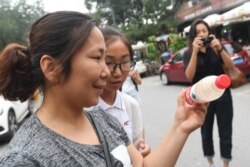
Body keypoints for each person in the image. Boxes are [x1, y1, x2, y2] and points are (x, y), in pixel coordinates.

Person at [0, 11, 207, 167]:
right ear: (51, 67)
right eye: (98, 58)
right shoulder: (24, 158)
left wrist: (180, 127)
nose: (107, 73)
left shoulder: (100, 119)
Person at [183, 19, 234, 167]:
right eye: (198, 32)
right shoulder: (189, 53)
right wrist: (195, 52)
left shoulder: (216, 48)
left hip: (223, 94)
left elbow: (230, 67)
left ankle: (226, 164)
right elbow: (189, 76)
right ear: (193, 36)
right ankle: (211, 163)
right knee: (206, 131)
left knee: (225, 131)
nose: (202, 34)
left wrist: (219, 48)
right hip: (202, 98)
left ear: (209, 32)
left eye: (204, 31)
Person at [96, 26, 148, 156]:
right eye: (109, 62)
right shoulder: (84, 109)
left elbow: (138, 144)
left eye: (125, 62)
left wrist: (141, 151)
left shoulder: (131, 105)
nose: (118, 73)